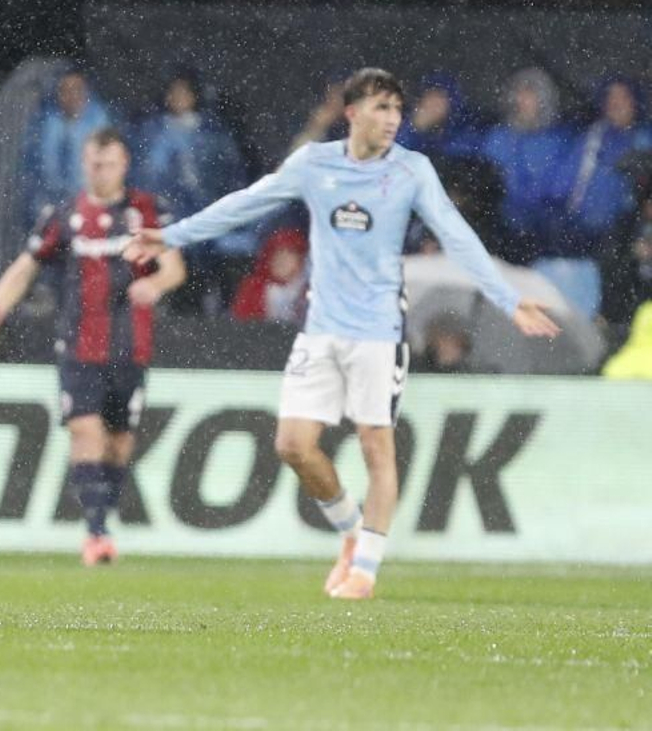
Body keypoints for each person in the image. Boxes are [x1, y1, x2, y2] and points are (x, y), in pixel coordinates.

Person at [126, 68, 560, 600]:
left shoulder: (411, 171)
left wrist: (508, 298)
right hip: (321, 329)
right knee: (292, 445)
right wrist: (171, 235)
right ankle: (351, 532)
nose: (392, 120)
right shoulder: (315, 164)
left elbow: (457, 236)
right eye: (381, 108)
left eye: (397, 111)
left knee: (377, 444)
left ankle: (366, 569)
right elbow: (245, 202)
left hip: (378, 330)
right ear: (352, 113)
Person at [0, 128, 185, 565]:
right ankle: (96, 533)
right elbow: (24, 271)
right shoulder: (63, 216)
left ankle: (103, 518)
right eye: (94, 163)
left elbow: (175, 266)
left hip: (130, 348)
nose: (101, 171)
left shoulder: (147, 212)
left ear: (124, 165)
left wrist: (155, 283)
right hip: (79, 347)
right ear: (85, 164)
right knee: (85, 430)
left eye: (110, 163)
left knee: (119, 443)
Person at [132, 68, 250, 311]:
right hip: (166, 221)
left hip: (204, 223)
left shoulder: (214, 134)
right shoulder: (152, 131)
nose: (178, 98)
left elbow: (229, 176)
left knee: (202, 283)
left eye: (184, 92)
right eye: (173, 92)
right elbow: (146, 175)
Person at [534, 77, 652, 318]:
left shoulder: (645, 140)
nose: (615, 103)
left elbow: (639, 194)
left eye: (622, 97)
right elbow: (561, 184)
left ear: (635, 102)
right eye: (611, 97)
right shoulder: (591, 139)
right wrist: (554, 214)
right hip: (583, 233)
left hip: (626, 232)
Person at [481, 68, 572, 264]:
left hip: (540, 230)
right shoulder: (498, 137)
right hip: (498, 225)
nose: (523, 100)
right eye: (520, 94)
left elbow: (559, 187)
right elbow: (484, 180)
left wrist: (530, 211)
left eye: (531, 94)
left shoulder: (558, 141)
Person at [21, 69, 118, 229]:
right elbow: (31, 169)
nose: (72, 96)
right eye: (65, 90)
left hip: (89, 206)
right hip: (48, 205)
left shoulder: (100, 122)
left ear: (87, 92)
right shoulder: (45, 123)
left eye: (77, 89)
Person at [229, 228, 308, 325]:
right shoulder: (253, 288)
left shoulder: (310, 289)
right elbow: (241, 325)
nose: (281, 261)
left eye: (289, 255)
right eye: (276, 254)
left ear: (300, 259)